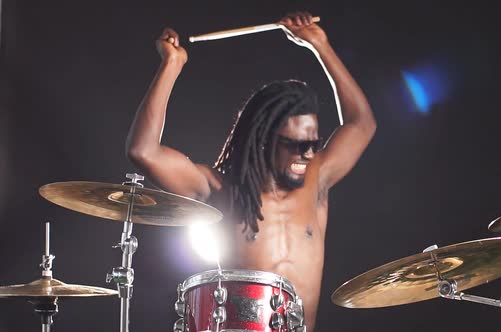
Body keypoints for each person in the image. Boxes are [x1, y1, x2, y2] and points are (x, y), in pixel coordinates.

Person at [126, 11, 376, 332]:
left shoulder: (317, 179)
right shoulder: (219, 187)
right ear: (264, 140)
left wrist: (319, 45)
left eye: (312, 143)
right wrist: (171, 64)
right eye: (294, 144)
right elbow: (142, 151)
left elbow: (362, 123)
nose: (307, 153)